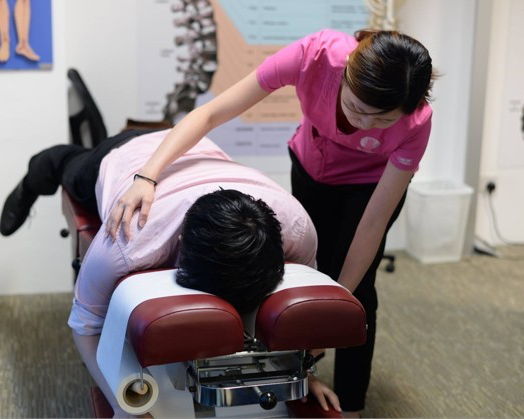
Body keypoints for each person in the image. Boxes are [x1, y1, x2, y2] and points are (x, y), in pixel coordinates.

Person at [106, 29, 436, 416]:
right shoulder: (314, 56)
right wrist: (147, 176)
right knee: (305, 274)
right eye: (356, 107)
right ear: (346, 70)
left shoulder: (416, 123)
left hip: (369, 186)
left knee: (357, 290)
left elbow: (374, 222)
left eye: (382, 119)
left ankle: (350, 403)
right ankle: (299, 373)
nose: (364, 123)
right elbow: (211, 113)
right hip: (312, 168)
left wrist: (337, 309)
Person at [0, 128, 340, 416]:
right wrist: (121, 406)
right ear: (179, 244)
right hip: (127, 156)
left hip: (200, 150)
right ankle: (34, 177)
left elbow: (302, 317)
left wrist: (305, 373)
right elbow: (84, 325)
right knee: (66, 166)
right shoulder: (126, 241)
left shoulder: (297, 228)